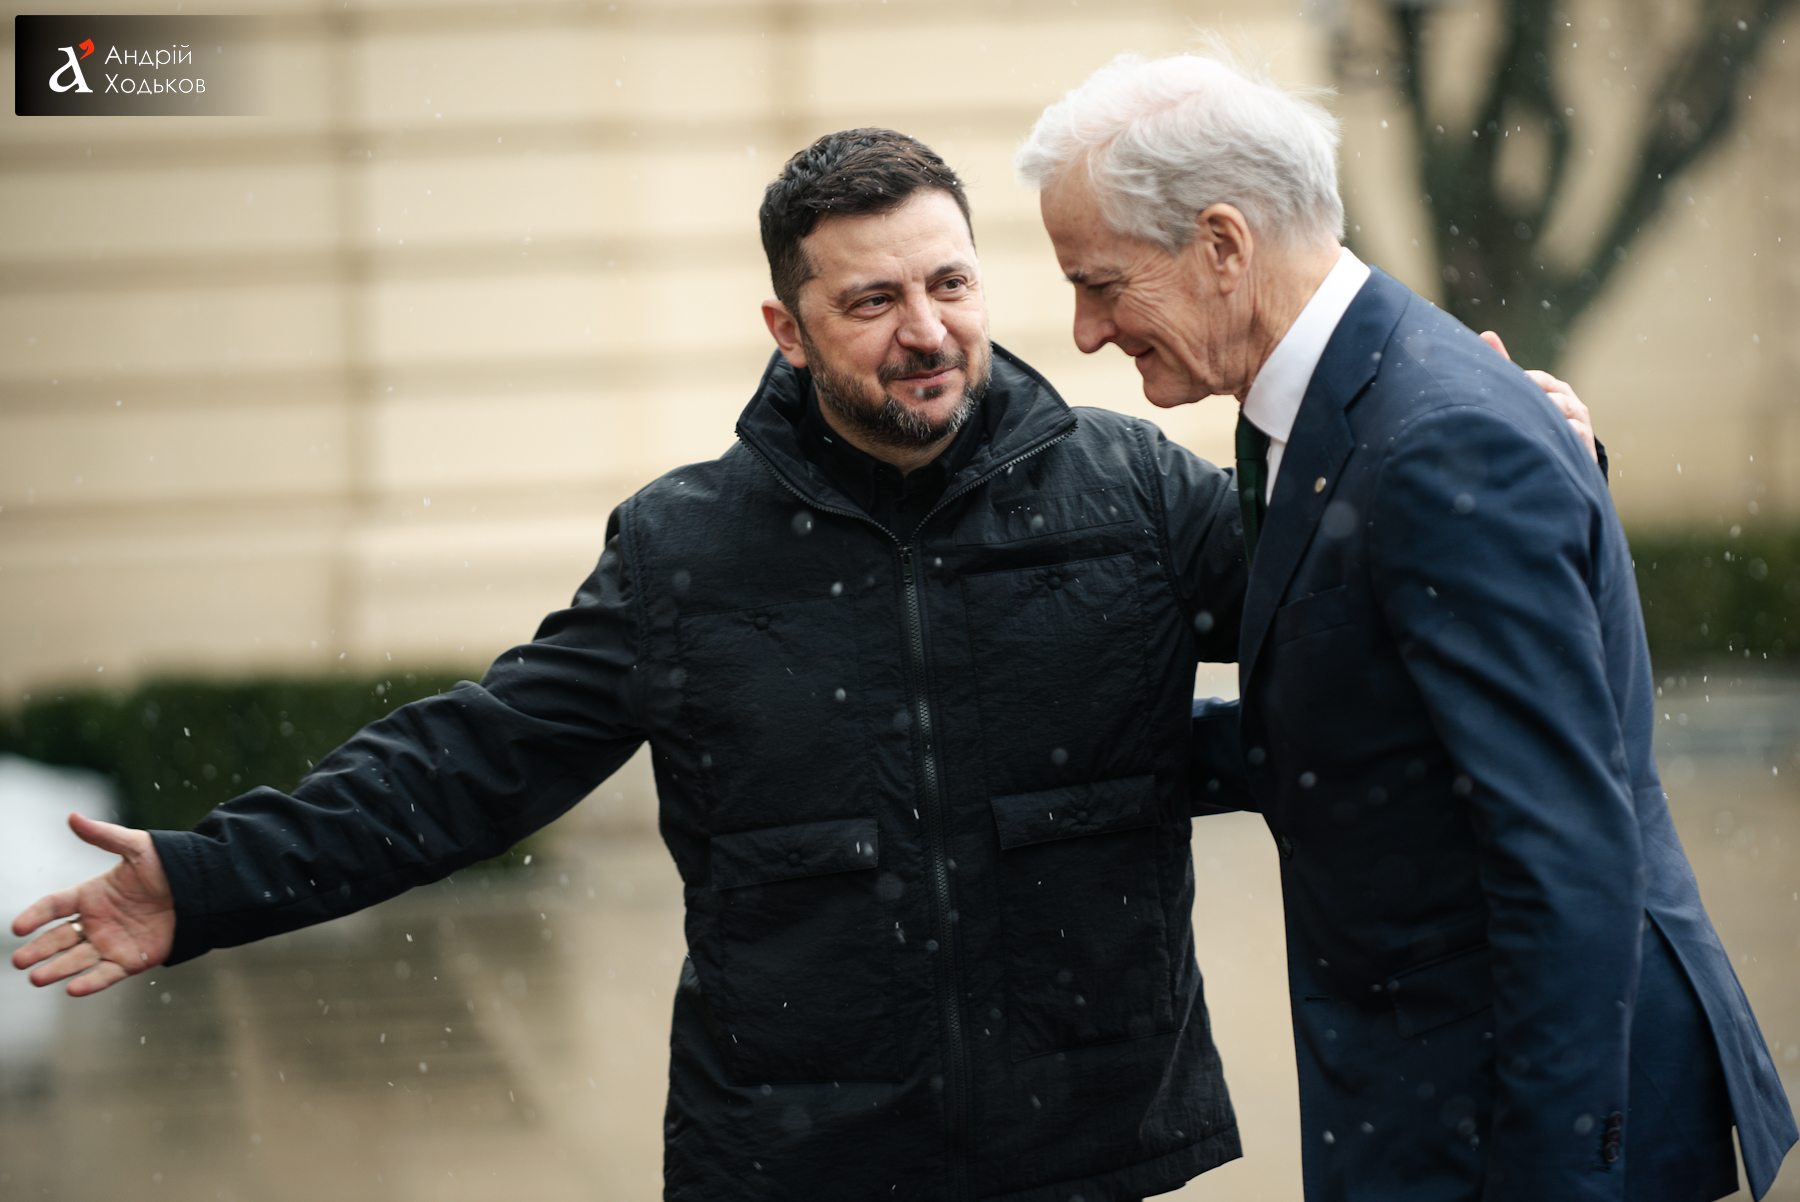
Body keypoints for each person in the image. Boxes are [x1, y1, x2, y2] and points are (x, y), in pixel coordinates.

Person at [13, 128, 1594, 1201]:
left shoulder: (1133, 494)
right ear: (788, 326)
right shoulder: (685, 550)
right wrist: (209, 883)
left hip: (1088, 1145)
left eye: (952, 283)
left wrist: (1513, 455)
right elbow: (471, 763)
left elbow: (1354, 630)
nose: (929, 330)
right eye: (873, 300)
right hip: (798, 1157)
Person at [1018, 53, 1797, 1202]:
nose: (1086, 330)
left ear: (1223, 245)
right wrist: (1045, 752)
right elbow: (1359, 726)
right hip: (1438, 1092)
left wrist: (1553, 1181)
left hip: (1522, 1117)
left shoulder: (1437, 438)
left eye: (1100, 283)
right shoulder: (1335, 408)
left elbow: (1565, 855)